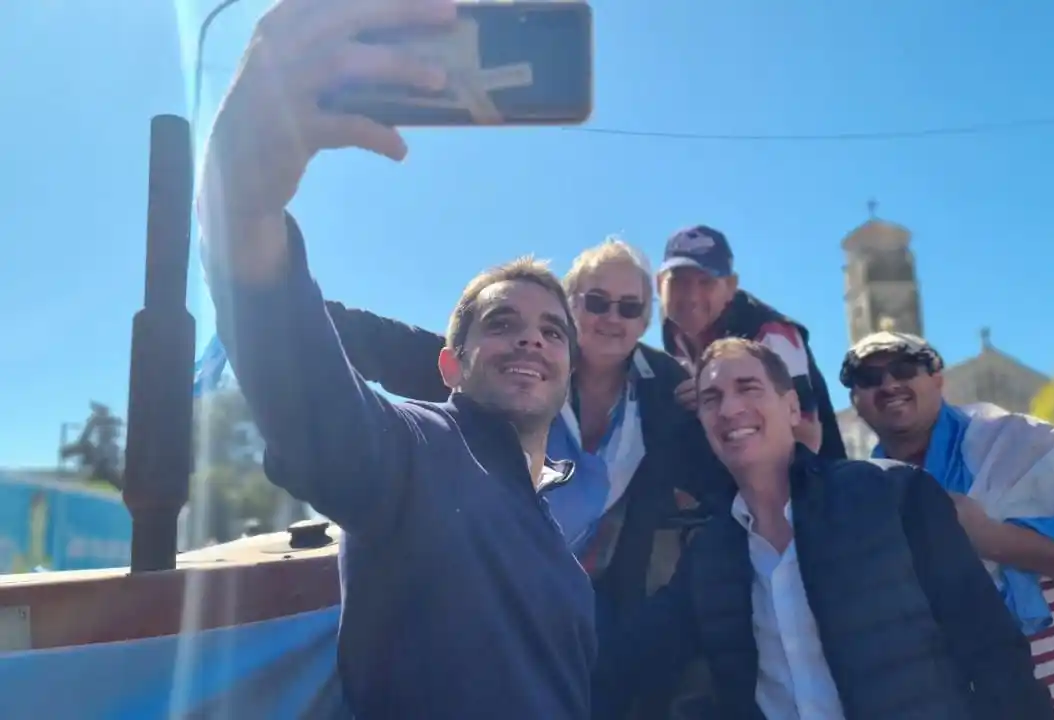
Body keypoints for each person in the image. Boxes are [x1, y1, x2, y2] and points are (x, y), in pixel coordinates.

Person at [197, 1, 594, 716]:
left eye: (553, 331)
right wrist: (240, 202)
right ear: (451, 367)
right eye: (503, 324)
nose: (533, 339)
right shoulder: (416, 451)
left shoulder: (556, 536)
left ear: (567, 373)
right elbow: (312, 403)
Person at [315, 239, 725, 716]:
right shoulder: (522, 373)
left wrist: (727, 404)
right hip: (494, 582)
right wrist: (290, 313)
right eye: (596, 302)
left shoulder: (665, 384)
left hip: (595, 586)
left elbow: (729, 454)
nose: (613, 318)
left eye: (630, 307)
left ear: (646, 318)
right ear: (571, 305)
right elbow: (406, 350)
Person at [594, 338, 1054, 720]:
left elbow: (994, 650)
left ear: (792, 407)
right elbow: (626, 662)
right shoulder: (709, 558)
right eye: (711, 398)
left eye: (748, 387)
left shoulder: (893, 495)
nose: (730, 408)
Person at [841, 330, 1054, 720]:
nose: (890, 384)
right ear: (856, 401)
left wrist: (993, 539)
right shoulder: (862, 499)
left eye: (904, 369)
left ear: (937, 378)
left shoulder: (1026, 445)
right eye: (869, 378)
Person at [657, 226, 846, 461]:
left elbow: (806, 436)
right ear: (659, 285)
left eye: (706, 282)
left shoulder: (770, 334)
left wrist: (712, 393)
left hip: (810, 487)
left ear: (730, 286)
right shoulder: (672, 328)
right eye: (679, 282)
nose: (691, 297)